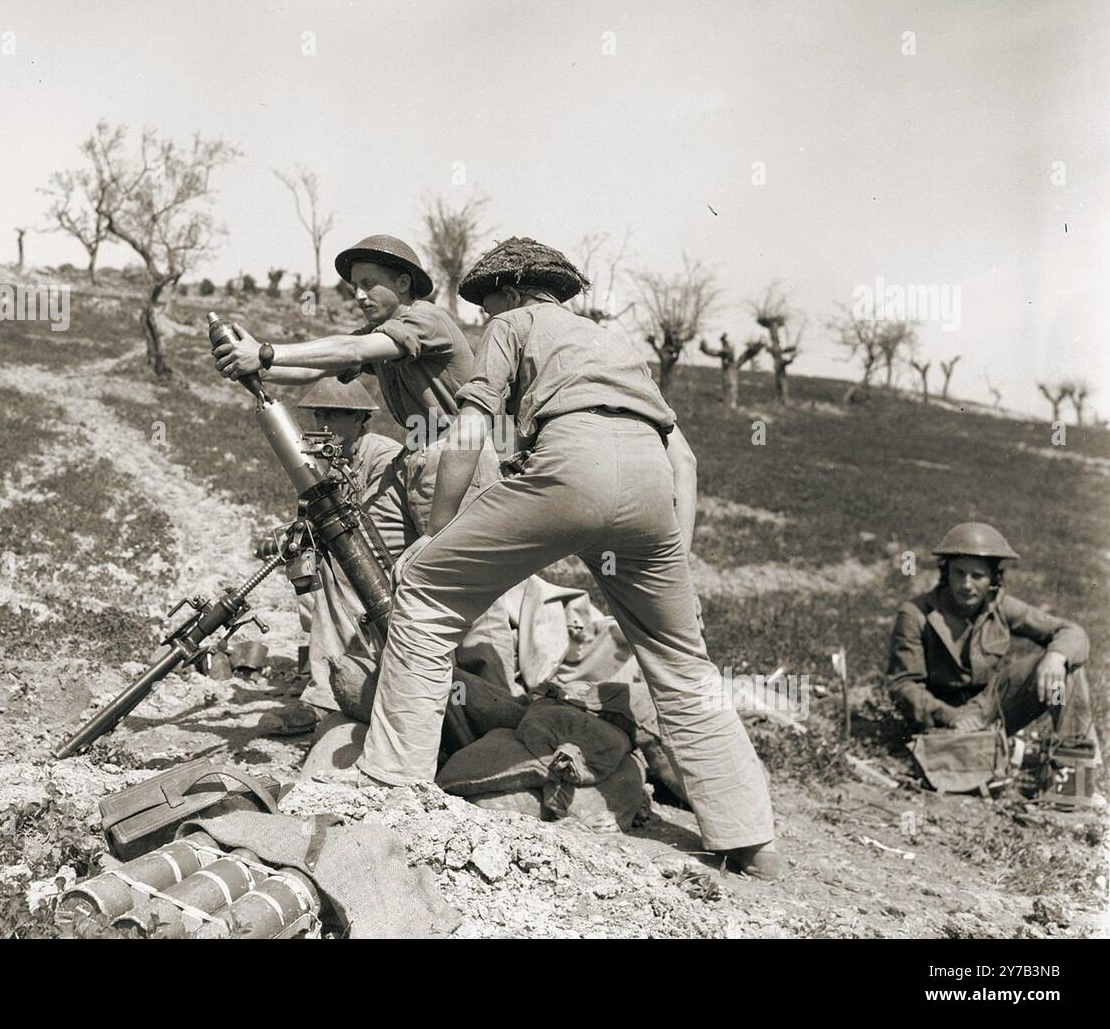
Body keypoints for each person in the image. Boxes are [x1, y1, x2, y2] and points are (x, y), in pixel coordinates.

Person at [352, 236, 782, 879]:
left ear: (511, 291)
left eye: (488, 300)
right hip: (650, 491)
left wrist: (436, 532)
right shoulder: (616, 344)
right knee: (680, 660)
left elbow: (470, 428)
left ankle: (393, 786)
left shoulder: (513, 324)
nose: (484, 313)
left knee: (424, 587)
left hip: (569, 470)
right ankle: (751, 839)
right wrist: (674, 556)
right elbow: (684, 459)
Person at [212, 232, 513, 672]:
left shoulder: (427, 319)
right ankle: (347, 685)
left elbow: (350, 349)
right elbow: (325, 364)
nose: (358, 294)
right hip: (413, 461)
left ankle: (488, 697)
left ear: (405, 283)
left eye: (370, 283)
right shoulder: (382, 334)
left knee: (462, 589)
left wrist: (264, 353)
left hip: (460, 457)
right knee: (355, 558)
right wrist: (259, 361)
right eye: (355, 285)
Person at [887, 522, 1100, 757]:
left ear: (993, 579)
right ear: (945, 572)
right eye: (959, 573)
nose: (966, 584)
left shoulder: (999, 606)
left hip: (990, 710)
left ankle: (1074, 767)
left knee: (1068, 669)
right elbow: (903, 685)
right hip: (941, 722)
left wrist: (1056, 656)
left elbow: (1072, 631)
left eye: (977, 576)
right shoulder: (916, 614)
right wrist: (949, 716)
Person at [287, 376, 403, 712]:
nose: (322, 423)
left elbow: (374, 525)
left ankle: (325, 695)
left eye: (332, 414)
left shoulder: (383, 455)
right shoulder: (324, 459)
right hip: (349, 553)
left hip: (385, 553)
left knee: (332, 581)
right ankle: (337, 670)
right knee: (306, 572)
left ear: (358, 418)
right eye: (318, 415)